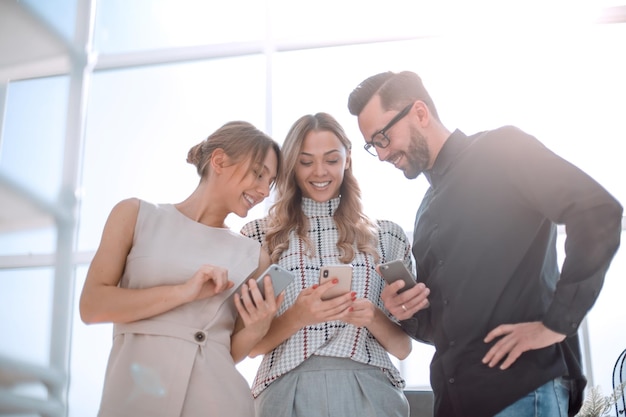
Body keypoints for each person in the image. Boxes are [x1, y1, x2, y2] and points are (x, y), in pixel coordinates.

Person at [347, 71, 623, 417]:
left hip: (521, 390)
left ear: (420, 113)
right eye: (374, 145)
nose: (383, 154)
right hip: (456, 401)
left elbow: (597, 212)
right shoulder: (426, 212)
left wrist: (556, 325)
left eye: (384, 137)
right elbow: (443, 329)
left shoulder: (501, 150)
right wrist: (408, 312)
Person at [79, 121, 284, 417]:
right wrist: (183, 292)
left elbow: (229, 352)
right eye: (258, 174)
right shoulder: (135, 215)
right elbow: (92, 307)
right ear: (219, 161)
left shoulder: (254, 256)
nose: (265, 190)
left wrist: (257, 328)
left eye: (271, 181)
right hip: (133, 398)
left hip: (218, 402)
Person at [240, 112, 421, 417]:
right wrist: (297, 316)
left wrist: (372, 316)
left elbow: (403, 348)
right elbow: (252, 347)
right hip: (285, 391)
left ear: (348, 159)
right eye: (306, 161)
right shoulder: (258, 236)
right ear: (291, 165)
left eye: (331, 160)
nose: (319, 171)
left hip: (370, 391)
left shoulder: (388, 236)